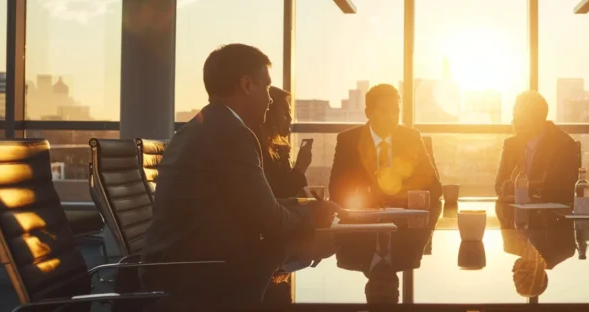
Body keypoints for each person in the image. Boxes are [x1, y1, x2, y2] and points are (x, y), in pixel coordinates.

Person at [139, 44, 339, 306]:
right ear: (247, 84)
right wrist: (315, 216)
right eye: (267, 87)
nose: (270, 99)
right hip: (201, 277)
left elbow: (254, 205)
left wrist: (306, 208)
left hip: (183, 265)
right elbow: (271, 220)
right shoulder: (231, 134)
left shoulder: (204, 126)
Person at [328, 84, 441, 208]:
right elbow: (336, 191)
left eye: (395, 111)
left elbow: (435, 189)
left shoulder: (412, 138)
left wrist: (396, 197)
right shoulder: (348, 141)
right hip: (363, 220)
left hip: (404, 219)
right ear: (368, 113)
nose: (391, 118)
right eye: (384, 111)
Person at [495, 91, 580, 204]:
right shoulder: (511, 144)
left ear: (538, 119)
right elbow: (499, 185)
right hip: (514, 214)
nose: (514, 122)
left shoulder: (563, 145)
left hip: (549, 216)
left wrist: (522, 187)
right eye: (514, 116)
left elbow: (563, 188)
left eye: (520, 117)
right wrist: (505, 187)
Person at [259, 87, 311, 198]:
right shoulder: (261, 152)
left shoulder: (279, 151)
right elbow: (279, 195)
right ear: (271, 117)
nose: (291, 118)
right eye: (285, 114)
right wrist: (299, 168)